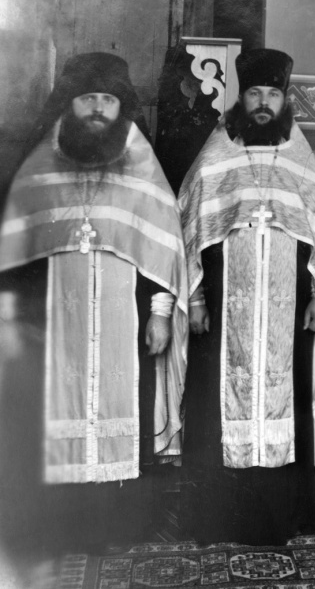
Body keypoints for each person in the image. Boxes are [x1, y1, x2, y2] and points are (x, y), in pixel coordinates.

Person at [0, 53, 189, 556]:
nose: (99, 109)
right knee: (48, 418)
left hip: (125, 323)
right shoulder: (37, 168)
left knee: (125, 416)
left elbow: (162, 249)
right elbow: (16, 255)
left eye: (108, 99)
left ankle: (120, 526)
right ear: (70, 104)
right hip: (53, 327)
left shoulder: (142, 166)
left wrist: (161, 314)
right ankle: (59, 529)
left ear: (121, 106)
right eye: (89, 99)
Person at [178, 48, 315, 545]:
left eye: (273, 94)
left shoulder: (300, 161)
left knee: (285, 405)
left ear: (283, 100)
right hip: (223, 313)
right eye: (255, 93)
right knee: (216, 404)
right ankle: (216, 520)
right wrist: (196, 299)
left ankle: (277, 519)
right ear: (241, 97)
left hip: (286, 313)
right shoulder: (215, 158)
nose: (264, 103)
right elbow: (190, 230)